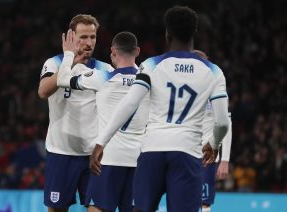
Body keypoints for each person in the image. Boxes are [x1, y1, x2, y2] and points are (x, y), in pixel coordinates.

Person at [89, 6, 230, 212]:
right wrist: (215, 144)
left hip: (151, 152)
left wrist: (101, 142)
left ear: (167, 34)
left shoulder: (151, 65)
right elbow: (222, 122)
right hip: (187, 153)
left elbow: (129, 103)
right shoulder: (214, 71)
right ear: (195, 33)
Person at [57, 31, 149, 212]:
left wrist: (68, 54)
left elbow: (61, 80)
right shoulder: (149, 81)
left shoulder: (101, 77)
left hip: (107, 158)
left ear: (113, 52)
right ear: (137, 51)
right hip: (139, 160)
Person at [38, 14, 113, 212]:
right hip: (61, 154)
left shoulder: (105, 69)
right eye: (83, 37)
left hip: (94, 155)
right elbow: (43, 91)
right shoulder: (54, 63)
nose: (89, 43)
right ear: (71, 37)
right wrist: (69, 62)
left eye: (93, 37)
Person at [201, 102, 232, 212]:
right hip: (184, 154)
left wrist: (225, 160)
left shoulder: (217, 87)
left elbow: (226, 123)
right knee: (182, 198)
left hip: (207, 157)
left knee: (205, 203)